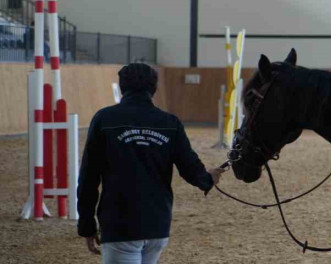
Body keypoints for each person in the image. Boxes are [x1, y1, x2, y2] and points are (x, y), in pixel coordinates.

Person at [78, 63, 225, 263]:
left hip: (120, 224)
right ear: (154, 88)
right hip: (157, 225)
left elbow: (88, 176)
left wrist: (86, 224)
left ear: (122, 87)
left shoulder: (104, 119)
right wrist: (208, 179)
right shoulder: (170, 122)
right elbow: (190, 167)